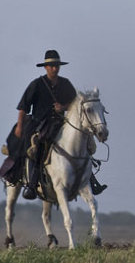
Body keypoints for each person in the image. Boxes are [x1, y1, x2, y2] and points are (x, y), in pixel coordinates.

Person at [14, 50, 108, 200]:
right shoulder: (37, 84)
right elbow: (23, 107)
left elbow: (75, 104)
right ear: (45, 67)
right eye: (51, 66)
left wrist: (63, 108)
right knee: (35, 145)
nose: (54, 68)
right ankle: (32, 184)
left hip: (60, 122)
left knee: (83, 141)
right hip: (39, 123)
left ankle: (91, 181)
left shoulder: (65, 84)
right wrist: (20, 126)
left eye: (56, 65)